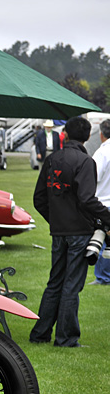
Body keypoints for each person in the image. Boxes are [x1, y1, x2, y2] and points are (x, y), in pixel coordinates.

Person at [29, 116, 110, 348]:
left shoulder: (53, 159)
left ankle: (40, 333)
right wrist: (106, 218)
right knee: (72, 285)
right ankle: (66, 338)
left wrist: (55, 219)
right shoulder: (85, 161)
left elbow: (39, 199)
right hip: (79, 231)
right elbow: (86, 199)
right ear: (87, 136)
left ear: (64, 134)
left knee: (55, 282)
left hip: (59, 231)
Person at [90, 119, 110, 284]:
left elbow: (93, 176)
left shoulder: (102, 152)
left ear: (101, 134)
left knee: (102, 241)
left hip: (103, 201)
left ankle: (103, 277)